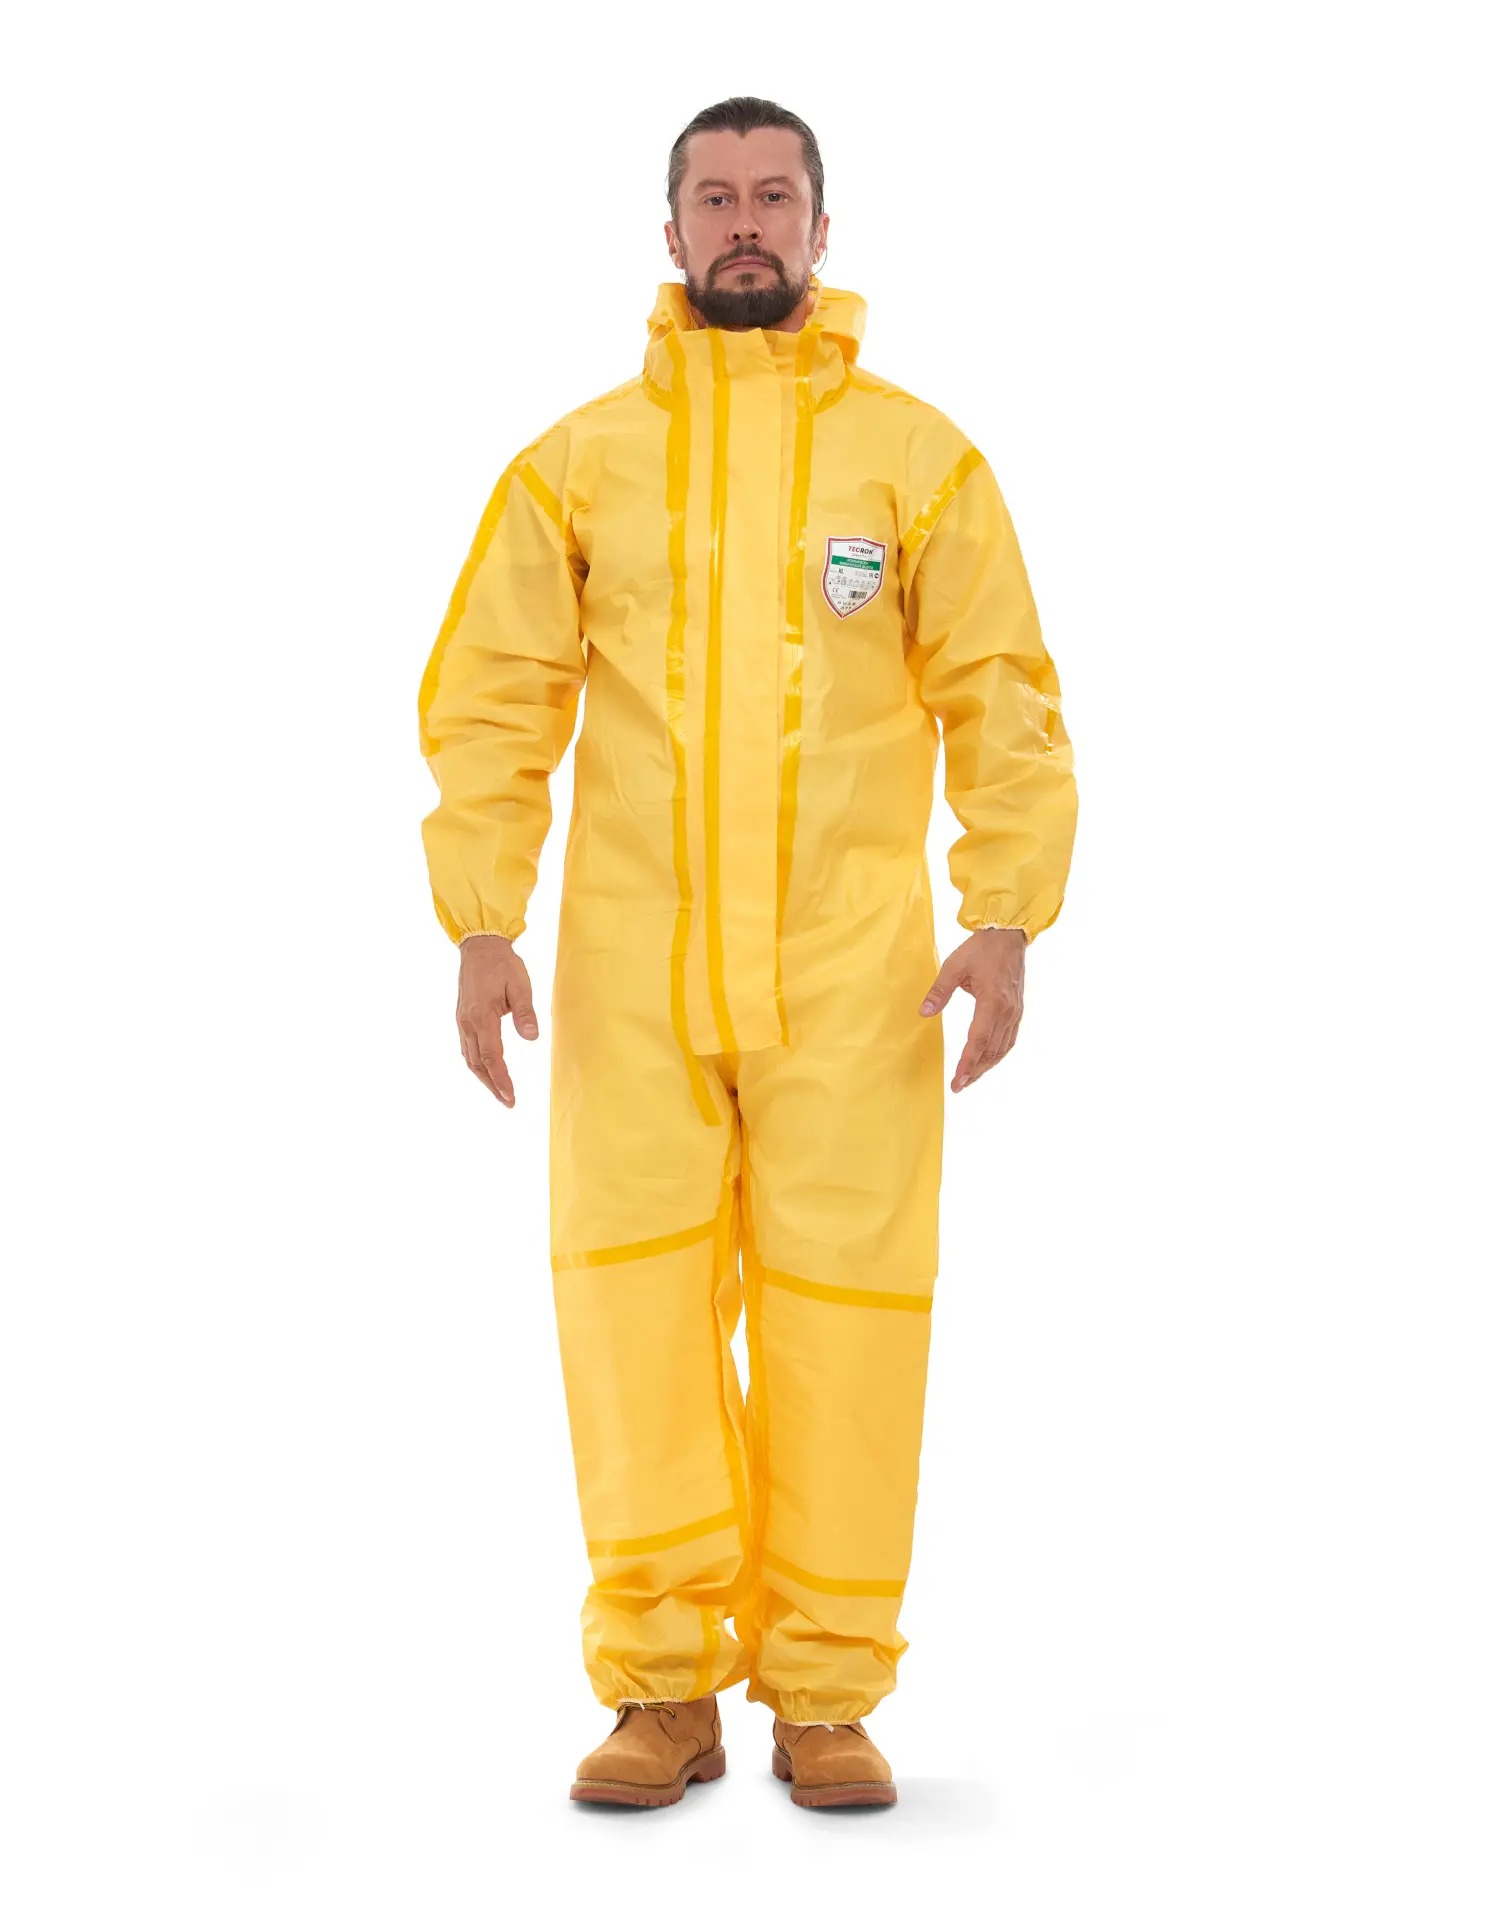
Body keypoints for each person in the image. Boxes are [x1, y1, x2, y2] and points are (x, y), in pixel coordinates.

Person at [417, 95, 1078, 1811]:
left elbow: (999, 692)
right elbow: (495, 700)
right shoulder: (575, 467)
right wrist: (483, 917)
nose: (742, 223)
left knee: (847, 1323)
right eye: (712, 197)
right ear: (668, 233)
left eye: (771, 195)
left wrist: (1004, 910)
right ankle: (660, 1688)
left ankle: (825, 1694)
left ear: (819, 228)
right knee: (629, 1312)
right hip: (629, 979)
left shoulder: (918, 463)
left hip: (857, 982)